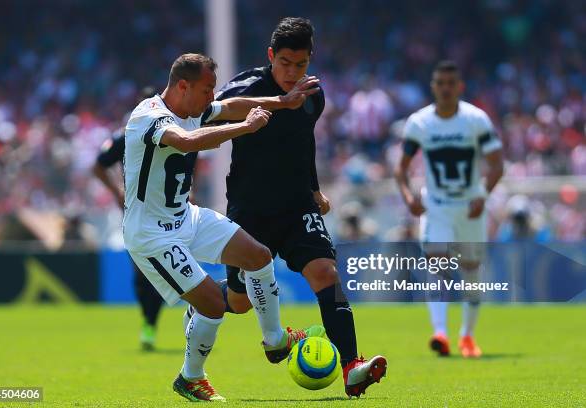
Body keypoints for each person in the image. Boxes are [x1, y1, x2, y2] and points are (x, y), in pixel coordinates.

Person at [200, 18, 387, 398]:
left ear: (309, 61)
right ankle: (204, 299)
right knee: (238, 302)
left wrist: (315, 190)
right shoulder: (247, 86)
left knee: (326, 273)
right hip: (250, 211)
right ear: (271, 56)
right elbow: (210, 112)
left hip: (297, 205)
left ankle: (352, 365)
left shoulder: (313, 95)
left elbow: (303, 145)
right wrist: (270, 105)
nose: (292, 72)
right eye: (285, 63)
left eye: (300, 64)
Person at [123, 53, 325, 402]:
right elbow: (187, 142)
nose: (210, 97)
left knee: (259, 257)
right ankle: (191, 377)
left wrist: (283, 101)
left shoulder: (194, 107)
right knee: (214, 305)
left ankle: (275, 340)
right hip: (152, 235)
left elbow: (233, 105)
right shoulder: (149, 117)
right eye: (206, 90)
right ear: (183, 86)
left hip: (186, 216)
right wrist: (246, 128)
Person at [394, 60, 504, 358]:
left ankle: (467, 336)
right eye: (439, 83)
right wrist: (409, 197)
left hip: (469, 206)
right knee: (437, 265)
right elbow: (401, 170)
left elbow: (497, 164)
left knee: (471, 270)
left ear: (459, 87)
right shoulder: (420, 122)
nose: (444, 88)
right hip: (437, 205)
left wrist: (482, 194)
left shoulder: (475, 119)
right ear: (433, 87)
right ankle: (440, 333)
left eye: (450, 83)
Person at [92, 86, 167, 351]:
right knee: (143, 273)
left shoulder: (173, 130)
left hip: (170, 211)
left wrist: (188, 188)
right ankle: (149, 321)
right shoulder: (128, 134)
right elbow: (99, 164)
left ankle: (186, 314)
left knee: (163, 269)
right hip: (137, 210)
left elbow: (195, 161)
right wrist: (117, 192)